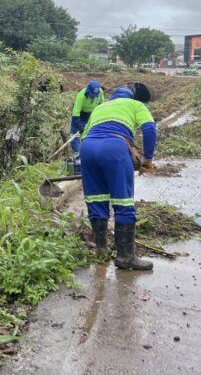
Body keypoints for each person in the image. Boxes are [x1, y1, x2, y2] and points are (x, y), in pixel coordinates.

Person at [80, 84, 157, 270]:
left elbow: (84, 135)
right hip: (114, 147)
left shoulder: (100, 107)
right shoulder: (136, 105)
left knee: (96, 198)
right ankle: (125, 257)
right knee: (123, 202)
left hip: (88, 148)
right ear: (131, 97)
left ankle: (101, 249)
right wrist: (147, 159)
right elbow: (149, 129)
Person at [70, 80, 105, 153]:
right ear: (88, 91)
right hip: (80, 115)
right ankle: (77, 153)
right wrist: (79, 126)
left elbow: (102, 105)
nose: (92, 97)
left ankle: (86, 152)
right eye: (91, 95)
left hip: (91, 114)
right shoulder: (81, 95)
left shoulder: (100, 92)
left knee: (88, 134)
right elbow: (75, 113)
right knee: (75, 135)